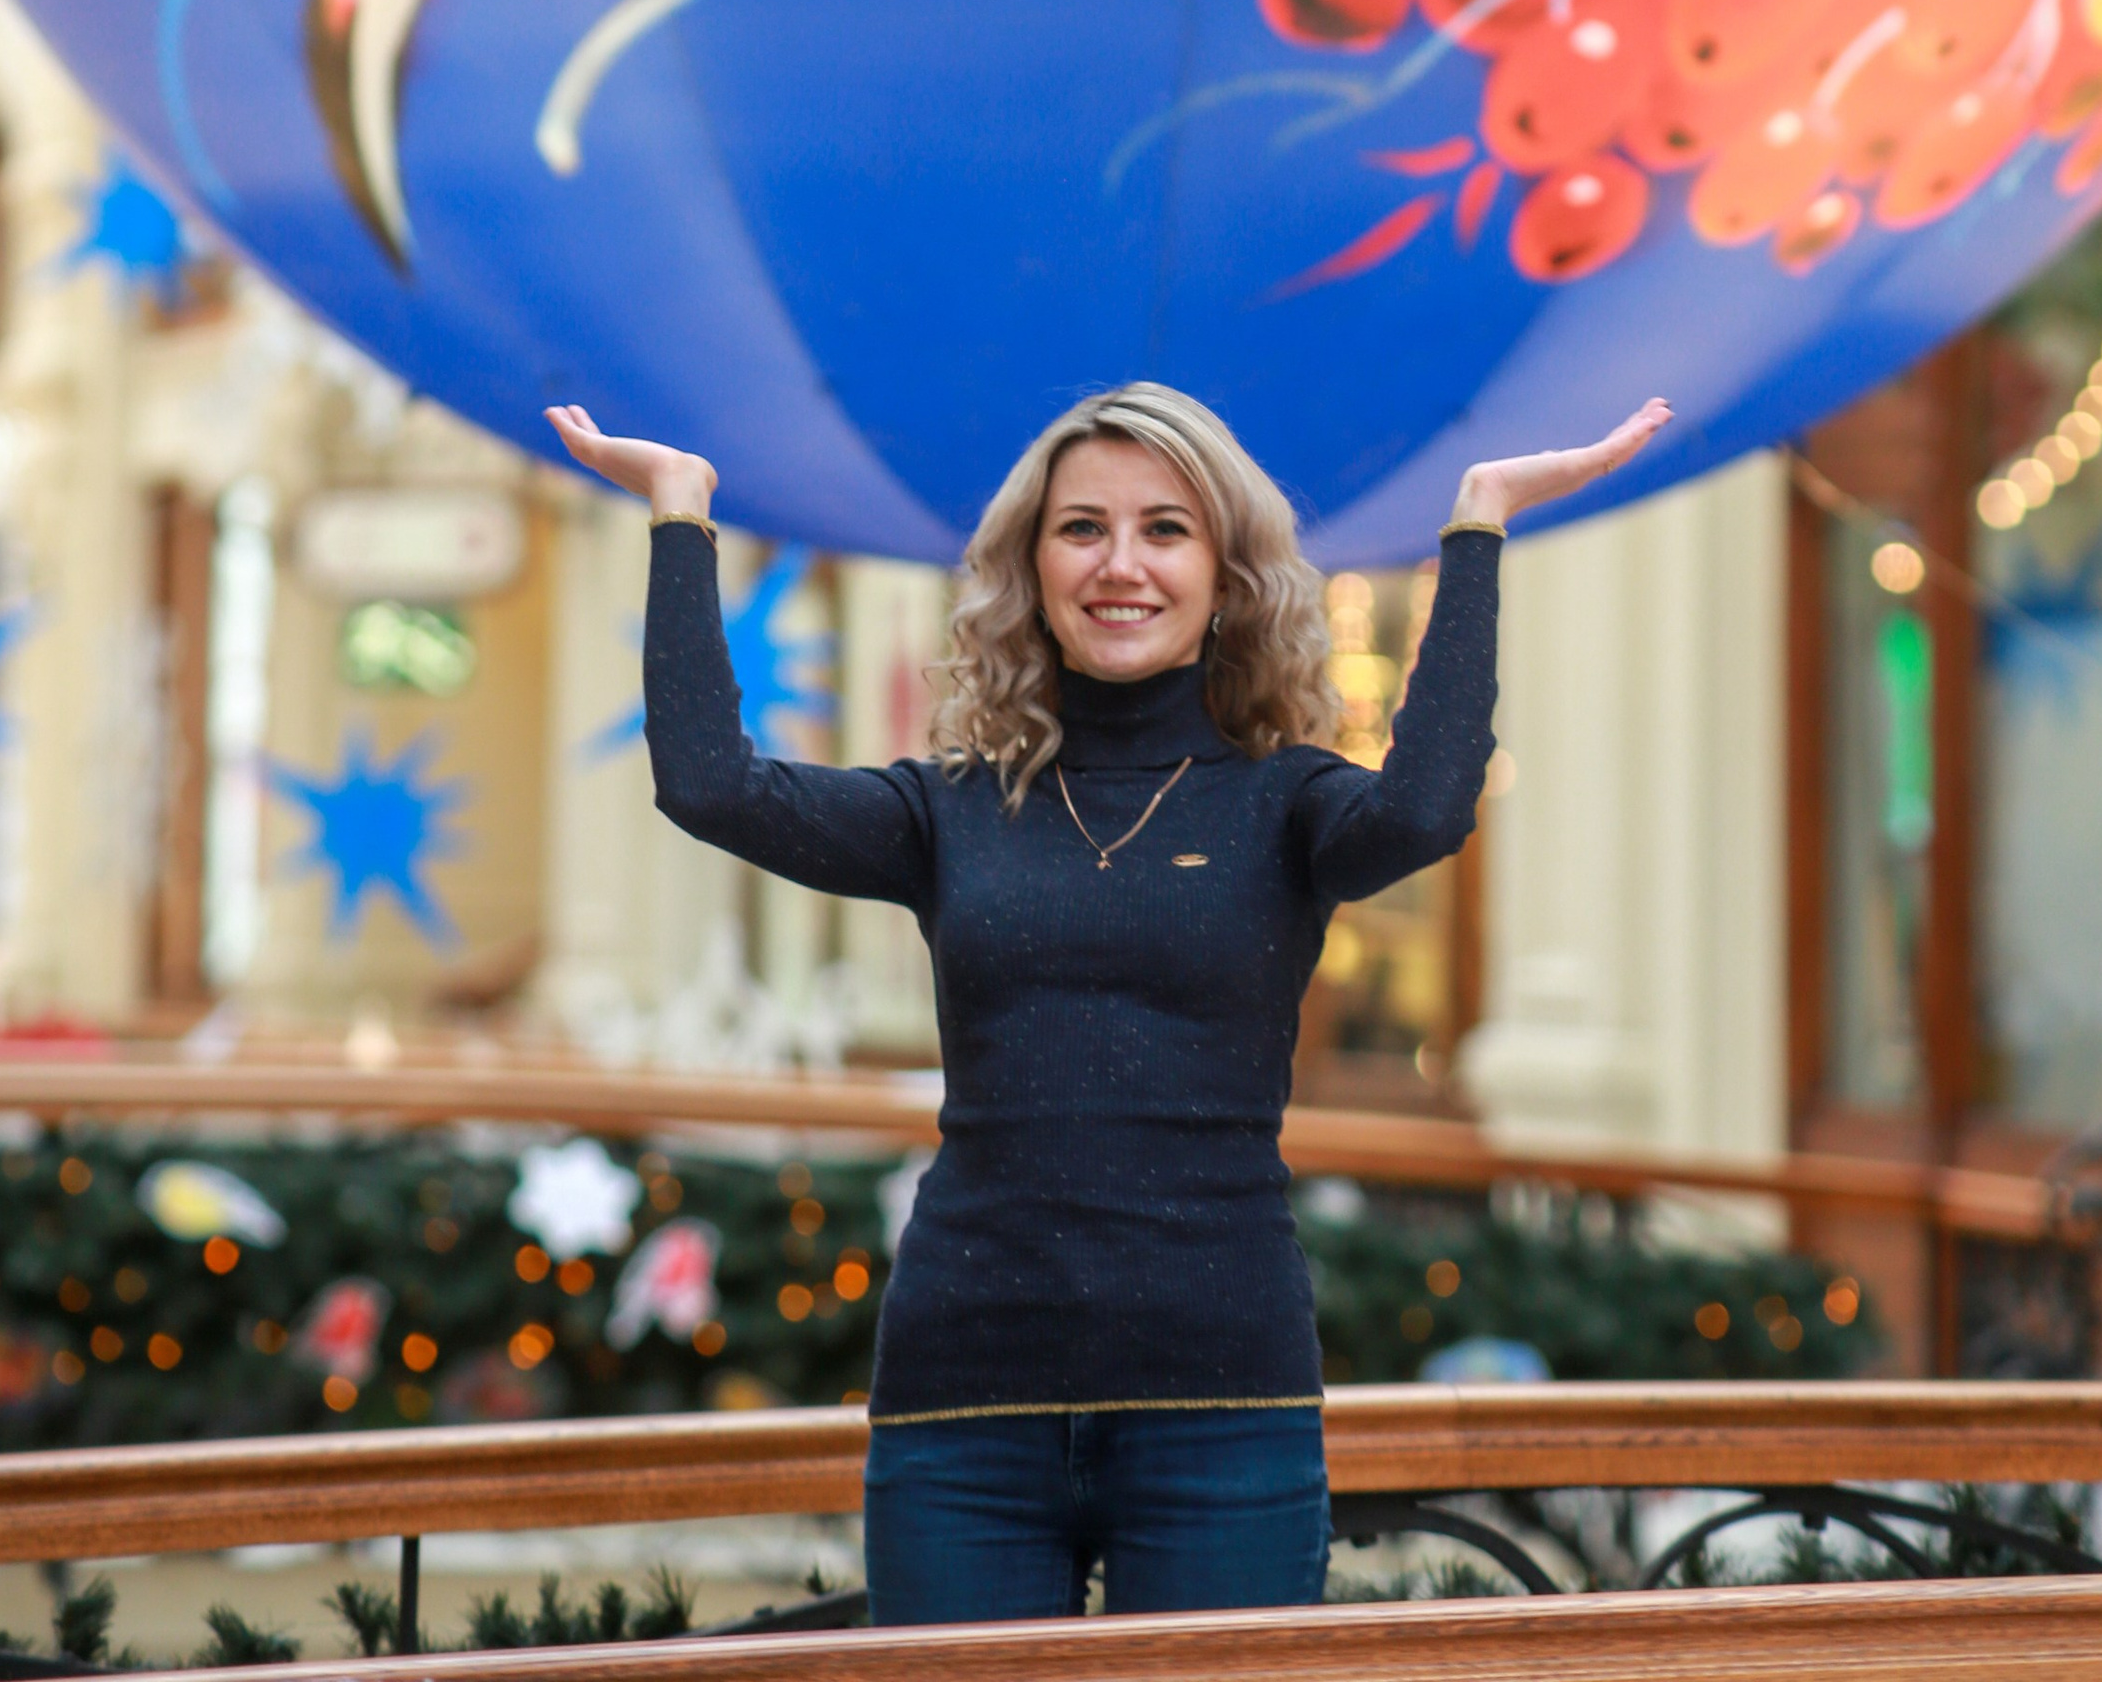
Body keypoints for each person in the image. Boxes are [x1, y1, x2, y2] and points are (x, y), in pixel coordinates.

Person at [546, 379, 1668, 1625]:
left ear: (1227, 575)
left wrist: (1478, 522)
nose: (1119, 564)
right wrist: (679, 510)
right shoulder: (950, 810)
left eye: (1166, 530)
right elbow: (709, 786)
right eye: (1082, 528)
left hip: (1220, 1403)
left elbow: (1421, 809)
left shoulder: (1285, 803)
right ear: (1030, 569)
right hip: (964, 1399)